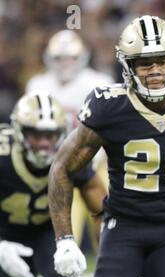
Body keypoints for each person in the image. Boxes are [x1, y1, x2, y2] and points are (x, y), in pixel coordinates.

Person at [48, 15, 165, 277]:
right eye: (144, 64)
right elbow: (62, 168)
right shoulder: (109, 106)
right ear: (128, 67)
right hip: (122, 228)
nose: (154, 71)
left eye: (161, 62)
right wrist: (65, 240)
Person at [0, 91, 105, 277]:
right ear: (20, 132)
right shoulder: (4, 154)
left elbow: (100, 204)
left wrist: (108, 248)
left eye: (51, 135)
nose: (44, 144)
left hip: (50, 232)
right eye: (35, 135)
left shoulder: (68, 153)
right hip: (7, 236)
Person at [26, 30, 114, 248]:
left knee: (110, 225)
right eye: (59, 58)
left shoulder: (98, 82)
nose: (65, 63)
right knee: (63, 231)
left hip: (99, 164)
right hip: (60, 169)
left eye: (71, 58)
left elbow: (112, 127)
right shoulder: (38, 85)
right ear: (49, 59)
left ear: (81, 57)